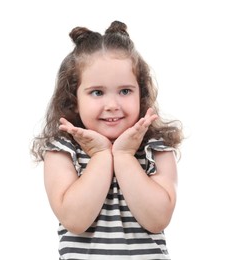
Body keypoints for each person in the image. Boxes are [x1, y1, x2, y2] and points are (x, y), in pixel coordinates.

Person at [31, 20, 183, 260]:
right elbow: (75, 220)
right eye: (97, 92)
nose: (112, 105)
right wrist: (102, 155)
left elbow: (157, 219)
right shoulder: (62, 151)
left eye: (125, 91)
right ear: (74, 99)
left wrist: (123, 156)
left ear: (141, 95)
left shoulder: (157, 147)